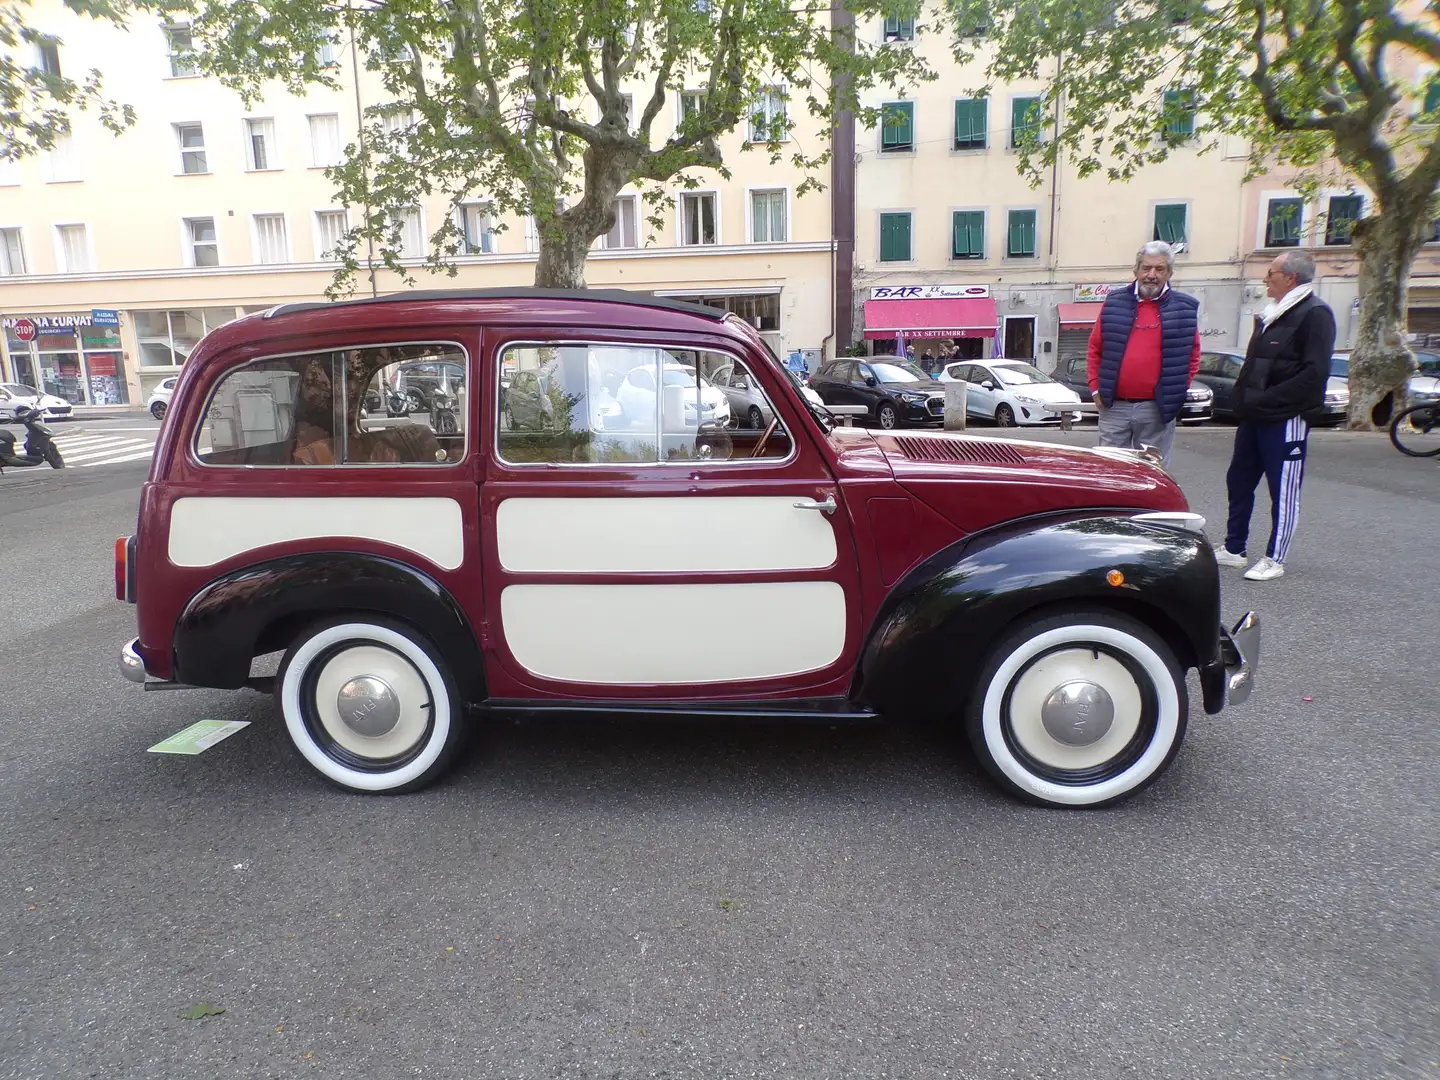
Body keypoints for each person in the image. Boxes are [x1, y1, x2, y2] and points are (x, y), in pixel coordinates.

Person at [1214, 250, 1335, 582]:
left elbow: (1315, 372)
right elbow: (1254, 364)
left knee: (1283, 488)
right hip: (1254, 416)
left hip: (1285, 418)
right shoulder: (1273, 314)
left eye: (1272, 273)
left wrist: (1267, 400)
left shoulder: (1315, 314)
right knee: (1238, 480)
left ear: (1291, 278)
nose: (1266, 279)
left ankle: (1274, 557)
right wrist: (1243, 398)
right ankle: (1234, 549)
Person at [1086, 241, 1202, 467]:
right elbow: (1095, 347)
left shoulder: (1185, 308)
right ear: (1136, 270)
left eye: (1159, 269)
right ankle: (1114, 505)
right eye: (1146, 268)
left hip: (1157, 409)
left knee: (1152, 473)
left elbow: (1193, 356)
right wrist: (1095, 388)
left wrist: (1176, 392)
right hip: (1113, 406)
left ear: (1169, 273)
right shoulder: (1114, 302)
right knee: (1111, 471)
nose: (1152, 275)